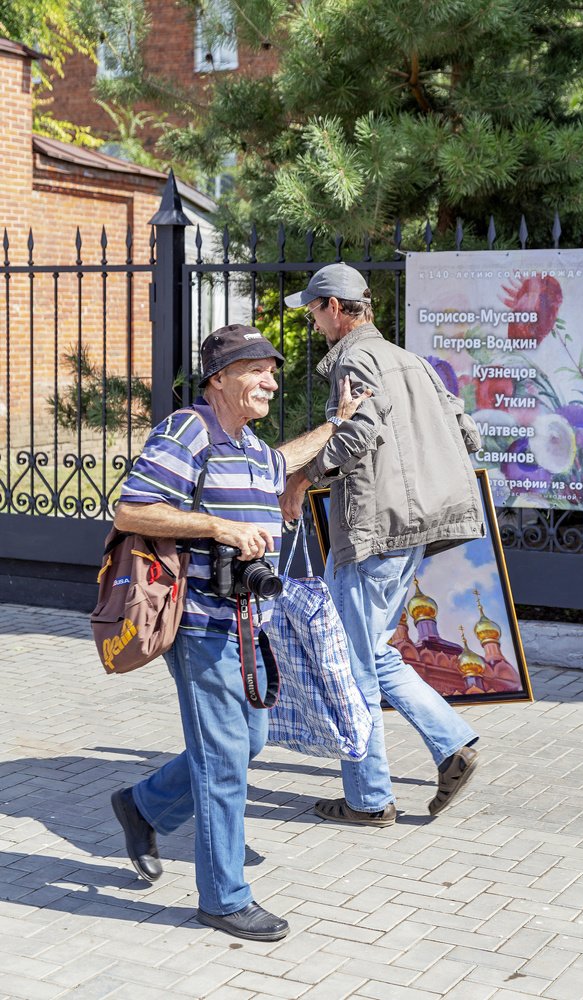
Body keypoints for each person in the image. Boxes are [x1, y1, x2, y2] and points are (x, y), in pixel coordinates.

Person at [110, 323, 367, 941]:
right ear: (219, 379)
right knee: (226, 757)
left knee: (246, 740)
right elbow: (130, 510)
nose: (270, 381)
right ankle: (223, 897)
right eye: (256, 370)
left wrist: (337, 423)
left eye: (273, 371)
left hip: (252, 624)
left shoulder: (252, 449)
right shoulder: (186, 432)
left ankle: (143, 806)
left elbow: (288, 460)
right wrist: (219, 529)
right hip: (200, 623)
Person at [281, 262, 485, 827]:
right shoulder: (411, 359)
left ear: (337, 308)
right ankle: (453, 745)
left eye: (315, 309)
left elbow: (357, 432)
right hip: (411, 530)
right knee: (372, 651)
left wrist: (302, 477)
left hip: (374, 532)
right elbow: (466, 430)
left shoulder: (354, 358)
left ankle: (369, 799)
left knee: (351, 665)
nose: (313, 321)